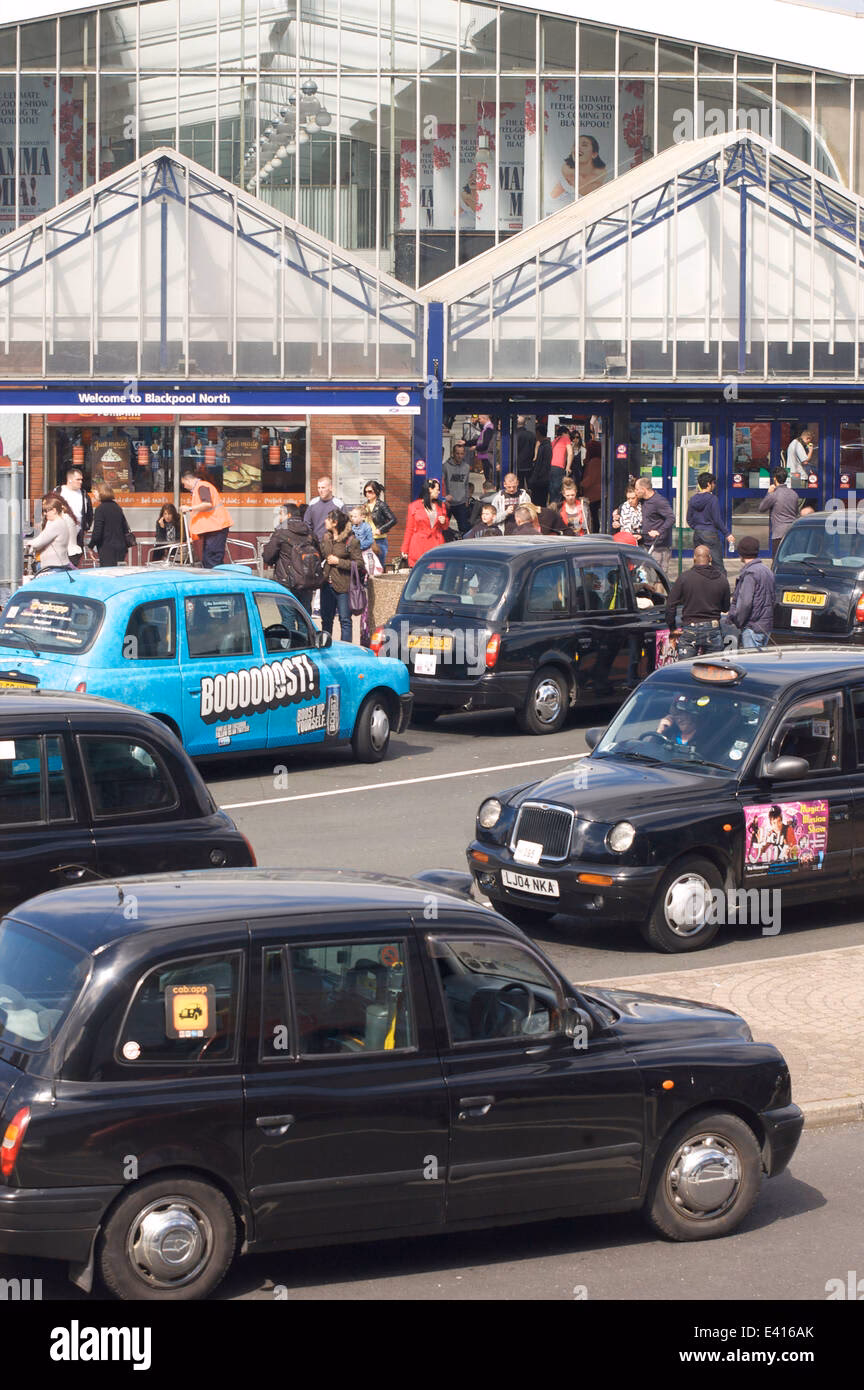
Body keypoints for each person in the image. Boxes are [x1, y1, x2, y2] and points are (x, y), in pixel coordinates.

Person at [665, 544, 730, 658]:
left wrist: (672, 627)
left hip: (690, 628)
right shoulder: (721, 579)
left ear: (694, 558)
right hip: (713, 628)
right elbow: (725, 607)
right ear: (710, 558)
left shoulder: (684, 578)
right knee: (712, 669)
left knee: (685, 669)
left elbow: (670, 604)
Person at [262, 502, 324, 614]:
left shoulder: (281, 532)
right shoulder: (309, 532)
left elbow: (267, 556)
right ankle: (306, 632)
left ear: (288, 515)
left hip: (286, 582)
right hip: (306, 581)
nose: (279, 518)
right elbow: (320, 554)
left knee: (287, 618)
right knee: (304, 618)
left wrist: (275, 560)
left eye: (281, 514)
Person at [723, 535, 775, 648]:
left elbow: (745, 603)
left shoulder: (750, 574)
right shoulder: (767, 570)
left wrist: (738, 621)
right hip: (765, 626)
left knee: (750, 662)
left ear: (741, 553)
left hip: (752, 627)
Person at [320, 508, 363, 642]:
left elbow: (360, 564)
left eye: (328, 519)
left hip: (344, 586)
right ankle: (325, 648)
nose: (325, 521)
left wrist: (339, 562)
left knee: (345, 620)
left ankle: (346, 650)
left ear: (335, 523)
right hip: (327, 584)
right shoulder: (326, 538)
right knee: (326, 620)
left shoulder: (351, 541)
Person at [180, 470, 233, 568]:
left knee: (211, 559)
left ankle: (216, 580)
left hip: (216, 527)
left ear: (188, 480)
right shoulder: (200, 488)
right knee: (209, 558)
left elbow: (208, 504)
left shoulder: (201, 487)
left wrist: (189, 508)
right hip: (214, 528)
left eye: (184, 483)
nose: (184, 486)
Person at [687, 473, 734, 571]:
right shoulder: (712, 499)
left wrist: (697, 527)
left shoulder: (693, 499)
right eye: (713, 483)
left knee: (700, 563)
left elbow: (689, 518)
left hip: (697, 534)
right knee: (717, 564)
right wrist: (727, 533)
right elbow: (717, 519)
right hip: (710, 534)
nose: (714, 485)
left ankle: (700, 583)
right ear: (708, 484)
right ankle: (720, 584)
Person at [401, 478, 449, 567]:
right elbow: (409, 529)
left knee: (436, 572)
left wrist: (444, 521)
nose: (439, 492)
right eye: (437, 490)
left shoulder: (441, 505)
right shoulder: (414, 506)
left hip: (436, 543)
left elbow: (445, 527)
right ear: (430, 490)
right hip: (419, 544)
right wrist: (405, 549)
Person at [635, 475, 674, 576]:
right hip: (646, 544)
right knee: (649, 578)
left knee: (658, 579)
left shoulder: (659, 501)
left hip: (659, 546)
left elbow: (671, 518)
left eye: (637, 489)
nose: (636, 492)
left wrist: (659, 531)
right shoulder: (643, 501)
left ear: (644, 489)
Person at [25, 496, 74, 574]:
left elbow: (39, 542)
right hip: (57, 565)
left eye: (46, 511)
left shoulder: (56, 524)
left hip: (54, 566)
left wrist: (28, 543)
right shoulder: (58, 522)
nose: (44, 513)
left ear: (54, 510)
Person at [759, 468, 800, 559]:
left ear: (775, 478)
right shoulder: (794, 494)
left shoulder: (774, 494)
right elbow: (796, 512)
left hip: (778, 533)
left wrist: (769, 493)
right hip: (792, 531)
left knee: (778, 560)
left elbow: (762, 508)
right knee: (791, 559)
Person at [89, 482, 131, 567]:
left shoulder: (100, 509)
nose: (94, 494)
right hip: (120, 548)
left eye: (95, 491)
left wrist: (90, 546)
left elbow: (97, 532)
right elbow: (125, 528)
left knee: (107, 573)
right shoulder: (117, 507)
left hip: (106, 548)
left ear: (101, 492)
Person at [59, 466, 92, 567]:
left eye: (81, 479)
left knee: (73, 561)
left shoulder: (83, 494)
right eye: (78, 479)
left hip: (77, 535)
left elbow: (89, 512)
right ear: (69, 479)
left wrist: (86, 527)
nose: (81, 482)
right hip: (60, 534)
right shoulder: (59, 491)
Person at [361, 480, 397, 566]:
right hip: (366, 540)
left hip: (379, 540)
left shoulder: (381, 505)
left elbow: (393, 520)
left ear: (376, 491)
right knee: (366, 567)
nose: (367, 494)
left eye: (370, 491)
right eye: (365, 492)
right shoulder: (364, 506)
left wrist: (380, 530)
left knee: (378, 566)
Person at [442, 441, 473, 535]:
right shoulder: (445, 467)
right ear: (453, 454)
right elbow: (443, 484)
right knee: (443, 527)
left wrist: (466, 499)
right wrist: (444, 499)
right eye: (457, 453)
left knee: (464, 528)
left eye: (462, 453)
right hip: (448, 503)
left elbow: (466, 484)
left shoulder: (466, 467)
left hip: (461, 502)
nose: (460, 456)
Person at [305, 476, 345, 544]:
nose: (320, 490)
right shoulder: (312, 503)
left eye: (323, 487)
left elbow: (345, 525)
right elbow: (307, 524)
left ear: (330, 488)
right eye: (318, 488)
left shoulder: (339, 504)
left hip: (333, 543)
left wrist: (338, 540)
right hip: (316, 543)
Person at [350, 506, 383, 576]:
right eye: (352, 516)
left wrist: (359, 546)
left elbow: (370, 540)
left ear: (362, 517)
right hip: (355, 553)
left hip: (365, 552)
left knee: (368, 568)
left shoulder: (366, 527)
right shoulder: (352, 527)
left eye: (355, 516)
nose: (352, 518)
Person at [528, 424, 552, 507]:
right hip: (543, 480)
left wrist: (534, 478)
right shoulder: (546, 445)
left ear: (538, 433)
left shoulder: (545, 447)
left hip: (541, 481)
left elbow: (542, 465)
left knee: (538, 502)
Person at [581, 440, 603, 532]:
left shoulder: (594, 462)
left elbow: (590, 479)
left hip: (593, 494)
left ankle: (594, 532)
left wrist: (580, 484)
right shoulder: (600, 461)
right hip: (597, 493)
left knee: (593, 516)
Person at [548, 424, 572, 505]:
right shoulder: (566, 439)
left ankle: (552, 509)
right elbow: (570, 453)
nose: (569, 436)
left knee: (552, 492)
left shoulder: (554, 441)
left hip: (551, 467)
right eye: (568, 433)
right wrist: (568, 467)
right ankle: (557, 513)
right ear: (564, 433)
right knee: (558, 492)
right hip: (559, 468)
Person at [473, 414, 497, 488]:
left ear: (484, 418)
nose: (478, 420)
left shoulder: (489, 429)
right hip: (485, 456)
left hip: (487, 456)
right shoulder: (486, 428)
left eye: (479, 419)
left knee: (488, 476)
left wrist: (476, 447)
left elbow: (485, 444)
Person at [514, 415, 536, 491]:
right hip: (529, 464)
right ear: (525, 423)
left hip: (517, 464)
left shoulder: (515, 435)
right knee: (530, 486)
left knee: (519, 486)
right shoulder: (531, 435)